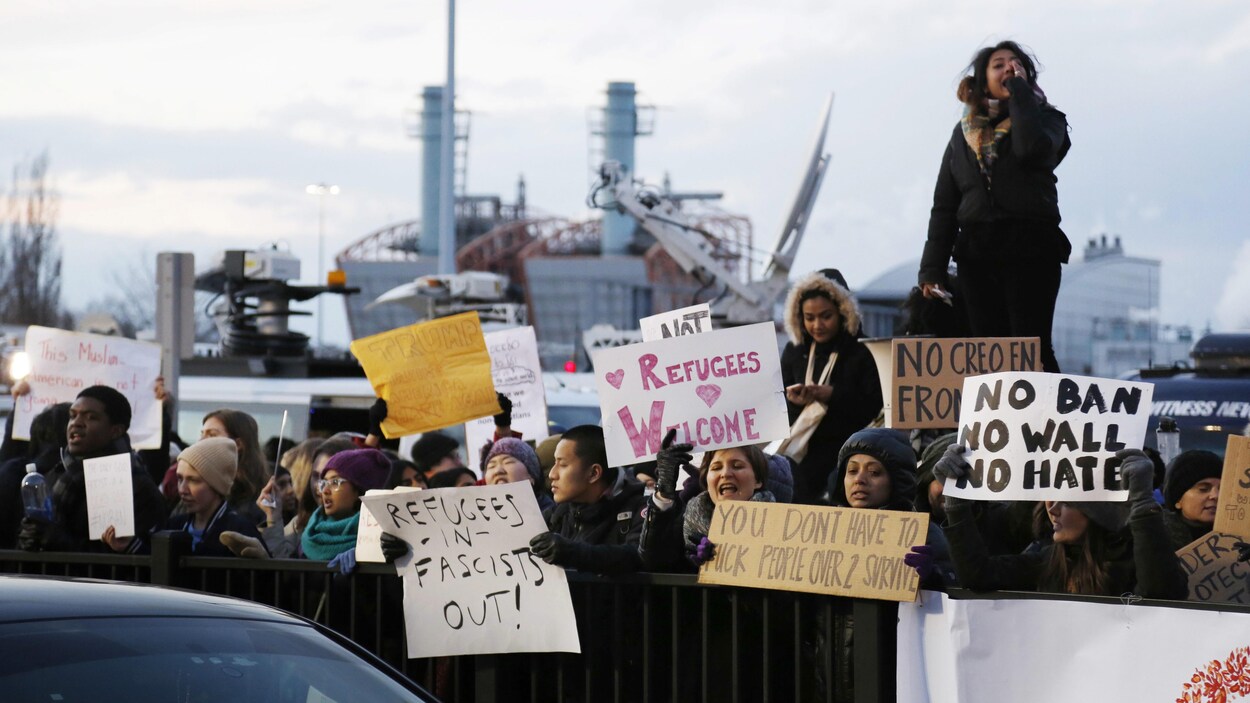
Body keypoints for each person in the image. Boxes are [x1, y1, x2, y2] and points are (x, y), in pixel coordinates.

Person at [918, 40, 1072, 373]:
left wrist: (1020, 93)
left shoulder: (1049, 120)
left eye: (1016, 64)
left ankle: (1045, 422)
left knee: (1032, 349)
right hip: (978, 254)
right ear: (982, 78)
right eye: (998, 65)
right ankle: (998, 423)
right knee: (989, 352)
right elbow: (944, 204)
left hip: (1032, 249)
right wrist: (932, 269)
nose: (1008, 69)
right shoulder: (963, 135)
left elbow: (1032, 149)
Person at [933, 443, 1188, 598]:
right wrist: (956, 501)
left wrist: (1142, 502)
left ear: (1098, 510)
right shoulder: (1047, 560)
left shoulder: (1134, 561)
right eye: (1049, 498)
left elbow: (1162, 595)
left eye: (1066, 502)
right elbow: (978, 576)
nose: (1051, 509)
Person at [17, 386, 166, 554]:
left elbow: (123, 560)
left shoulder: (135, 486)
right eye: (72, 416)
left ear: (115, 430)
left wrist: (57, 540)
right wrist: (30, 539)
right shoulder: (55, 474)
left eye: (91, 417)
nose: (76, 423)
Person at [780, 269, 882, 503]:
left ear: (843, 312)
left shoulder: (863, 351)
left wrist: (832, 395)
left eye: (826, 316)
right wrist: (795, 403)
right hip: (800, 457)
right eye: (809, 317)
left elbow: (874, 408)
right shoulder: (794, 352)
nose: (817, 325)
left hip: (848, 456)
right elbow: (779, 410)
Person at [827, 428, 953, 587]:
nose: (859, 479)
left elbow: (954, 589)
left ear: (897, 481)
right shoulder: (826, 531)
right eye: (852, 470)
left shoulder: (925, 535)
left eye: (874, 472)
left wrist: (932, 577)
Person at [638, 431, 774, 573]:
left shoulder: (780, 525)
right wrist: (664, 490)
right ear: (707, 481)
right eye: (716, 468)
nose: (726, 474)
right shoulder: (685, 521)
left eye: (737, 466)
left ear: (758, 481)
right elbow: (653, 562)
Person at [528, 425, 646, 574]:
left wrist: (573, 553)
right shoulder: (556, 515)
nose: (552, 474)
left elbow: (639, 556)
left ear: (594, 473)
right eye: (554, 463)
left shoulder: (638, 510)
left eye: (563, 465)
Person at [116, 437, 265, 556]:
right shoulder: (174, 525)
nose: (182, 489)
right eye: (180, 478)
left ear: (217, 484)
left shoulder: (239, 529)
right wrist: (131, 546)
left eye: (194, 480)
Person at [301, 448, 390, 573]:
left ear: (359, 490)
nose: (325, 491)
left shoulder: (384, 537)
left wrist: (366, 558)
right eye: (324, 483)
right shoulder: (310, 534)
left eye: (335, 482)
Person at [1160, 450, 1222, 550]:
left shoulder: (1241, 536)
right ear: (1178, 500)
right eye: (1203, 489)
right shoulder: (1152, 539)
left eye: (1222, 489)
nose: (1216, 495)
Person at [483, 437, 554, 512]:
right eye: (491, 466)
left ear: (531, 476)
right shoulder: (480, 516)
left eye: (508, 462)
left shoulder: (551, 516)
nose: (498, 471)